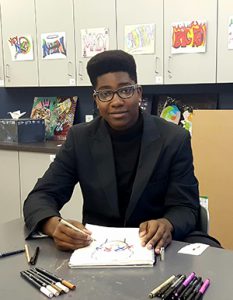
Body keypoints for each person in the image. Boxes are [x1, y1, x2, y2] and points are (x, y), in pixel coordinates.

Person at [23, 50, 221, 252]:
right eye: (105, 93)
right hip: (100, 249)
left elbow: (186, 207)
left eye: (125, 90)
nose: (116, 101)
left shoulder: (174, 138)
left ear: (139, 93)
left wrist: (167, 223)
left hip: (159, 246)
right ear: (96, 100)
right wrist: (54, 225)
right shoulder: (80, 138)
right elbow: (41, 196)